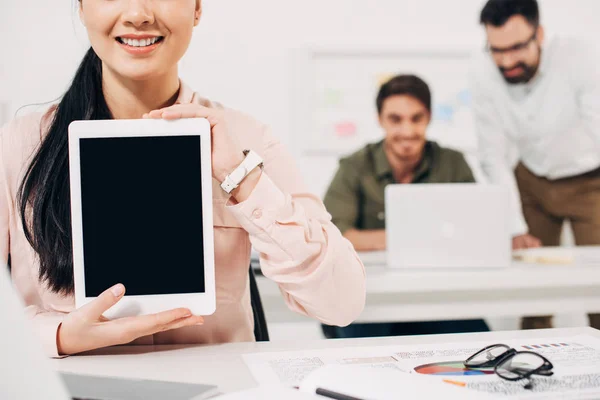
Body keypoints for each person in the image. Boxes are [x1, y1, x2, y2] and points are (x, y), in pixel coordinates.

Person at [0, 0, 366, 357]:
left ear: (197, 8)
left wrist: (242, 179)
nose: (138, 15)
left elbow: (342, 303)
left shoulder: (247, 138)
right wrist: (59, 336)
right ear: (81, 7)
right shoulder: (19, 146)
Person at [322, 75, 489, 338]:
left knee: (481, 344)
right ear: (380, 119)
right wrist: (421, 238)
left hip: (437, 297)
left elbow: (476, 228)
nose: (408, 131)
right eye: (395, 119)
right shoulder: (354, 166)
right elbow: (334, 233)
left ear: (429, 117)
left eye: (416, 118)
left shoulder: (453, 163)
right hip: (369, 298)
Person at [472, 0, 600, 330]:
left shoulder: (579, 58)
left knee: (597, 287)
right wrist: (514, 226)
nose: (507, 60)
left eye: (516, 47)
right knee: (532, 291)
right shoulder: (484, 74)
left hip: (590, 181)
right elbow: (493, 156)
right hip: (531, 179)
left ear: (539, 34)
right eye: (497, 49)